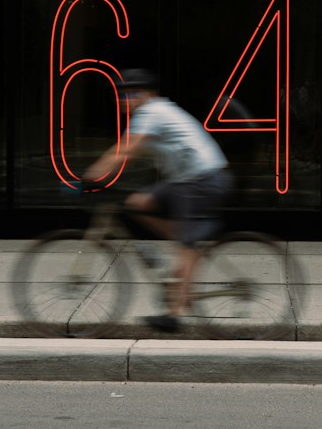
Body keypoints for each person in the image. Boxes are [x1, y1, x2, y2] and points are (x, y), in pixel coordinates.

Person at [84, 68, 230, 334]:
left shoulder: (153, 112)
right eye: (121, 95)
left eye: (131, 94)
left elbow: (126, 149)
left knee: (185, 246)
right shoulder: (150, 114)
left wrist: (91, 175)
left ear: (149, 94)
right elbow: (131, 151)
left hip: (202, 180)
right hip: (184, 180)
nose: (124, 99)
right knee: (138, 203)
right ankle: (189, 242)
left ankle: (173, 313)